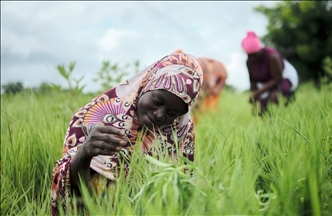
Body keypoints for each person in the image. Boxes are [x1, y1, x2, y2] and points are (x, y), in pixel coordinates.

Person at [50, 53, 203, 215]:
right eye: (157, 101)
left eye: (172, 113)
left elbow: (181, 196)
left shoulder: (180, 135)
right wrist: (85, 153)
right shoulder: (94, 118)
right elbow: (71, 194)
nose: (160, 115)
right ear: (146, 85)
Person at [241, 31, 299, 116]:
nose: (252, 58)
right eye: (249, 55)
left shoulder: (272, 56)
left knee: (274, 97)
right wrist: (254, 97)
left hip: (284, 78)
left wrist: (258, 92)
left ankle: (287, 114)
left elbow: (277, 80)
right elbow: (253, 81)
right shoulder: (249, 61)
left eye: (254, 55)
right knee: (262, 111)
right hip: (266, 82)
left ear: (259, 50)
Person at [173, 49, 227, 122]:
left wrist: (208, 92)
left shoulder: (197, 66)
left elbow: (211, 83)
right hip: (210, 78)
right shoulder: (187, 67)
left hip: (216, 77)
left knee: (210, 104)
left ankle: (208, 120)